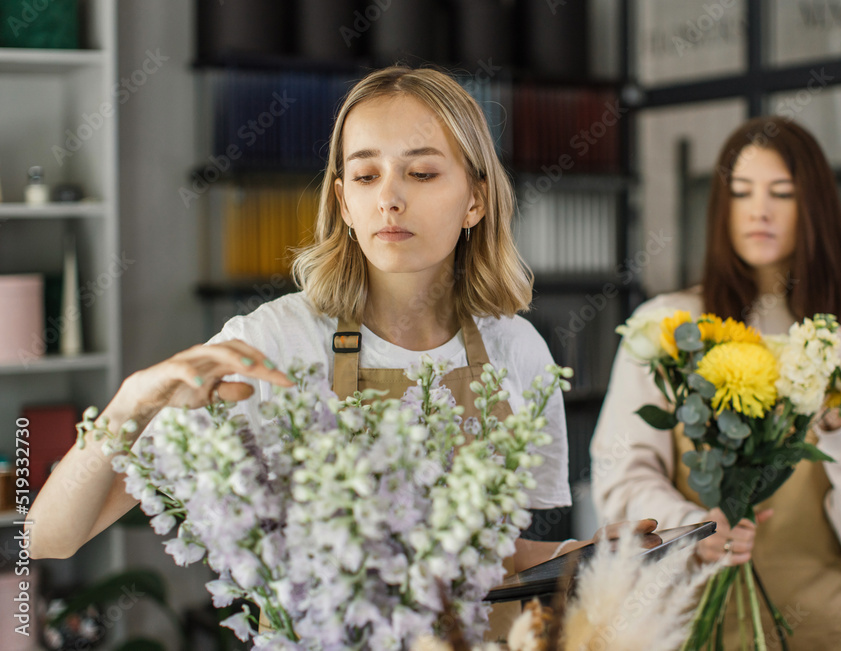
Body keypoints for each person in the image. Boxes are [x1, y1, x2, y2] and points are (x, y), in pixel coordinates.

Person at [27, 66, 658, 632]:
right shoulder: (273, 344)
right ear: (343, 201)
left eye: (421, 171)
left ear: (476, 199)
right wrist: (131, 401)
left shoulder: (518, 349)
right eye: (365, 173)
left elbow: (502, 559)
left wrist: (599, 555)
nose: (390, 195)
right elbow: (50, 536)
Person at [590, 116, 841, 648]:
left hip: (823, 633)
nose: (759, 210)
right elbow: (620, 470)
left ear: (814, 206)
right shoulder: (670, 327)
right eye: (741, 192)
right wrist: (692, 530)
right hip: (685, 627)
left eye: (782, 193)